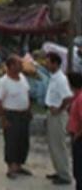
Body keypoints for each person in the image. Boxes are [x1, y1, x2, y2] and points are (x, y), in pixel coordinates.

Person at [0, 56, 32, 179]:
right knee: (11, 141)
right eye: (18, 64)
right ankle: (10, 167)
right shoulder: (3, 82)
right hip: (11, 114)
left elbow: (27, 94)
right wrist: (2, 118)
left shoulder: (23, 79)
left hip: (23, 114)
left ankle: (19, 165)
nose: (21, 66)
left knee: (23, 141)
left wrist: (29, 110)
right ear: (10, 66)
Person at [43, 52, 72, 185]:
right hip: (51, 112)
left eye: (48, 62)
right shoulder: (53, 77)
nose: (46, 64)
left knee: (58, 145)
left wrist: (59, 108)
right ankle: (59, 170)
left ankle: (64, 174)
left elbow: (67, 97)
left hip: (58, 115)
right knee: (53, 145)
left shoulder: (60, 79)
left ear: (55, 63)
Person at [66, 72, 82, 187]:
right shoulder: (76, 96)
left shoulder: (80, 98)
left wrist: (78, 134)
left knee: (79, 170)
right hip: (75, 134)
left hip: (79, 137)